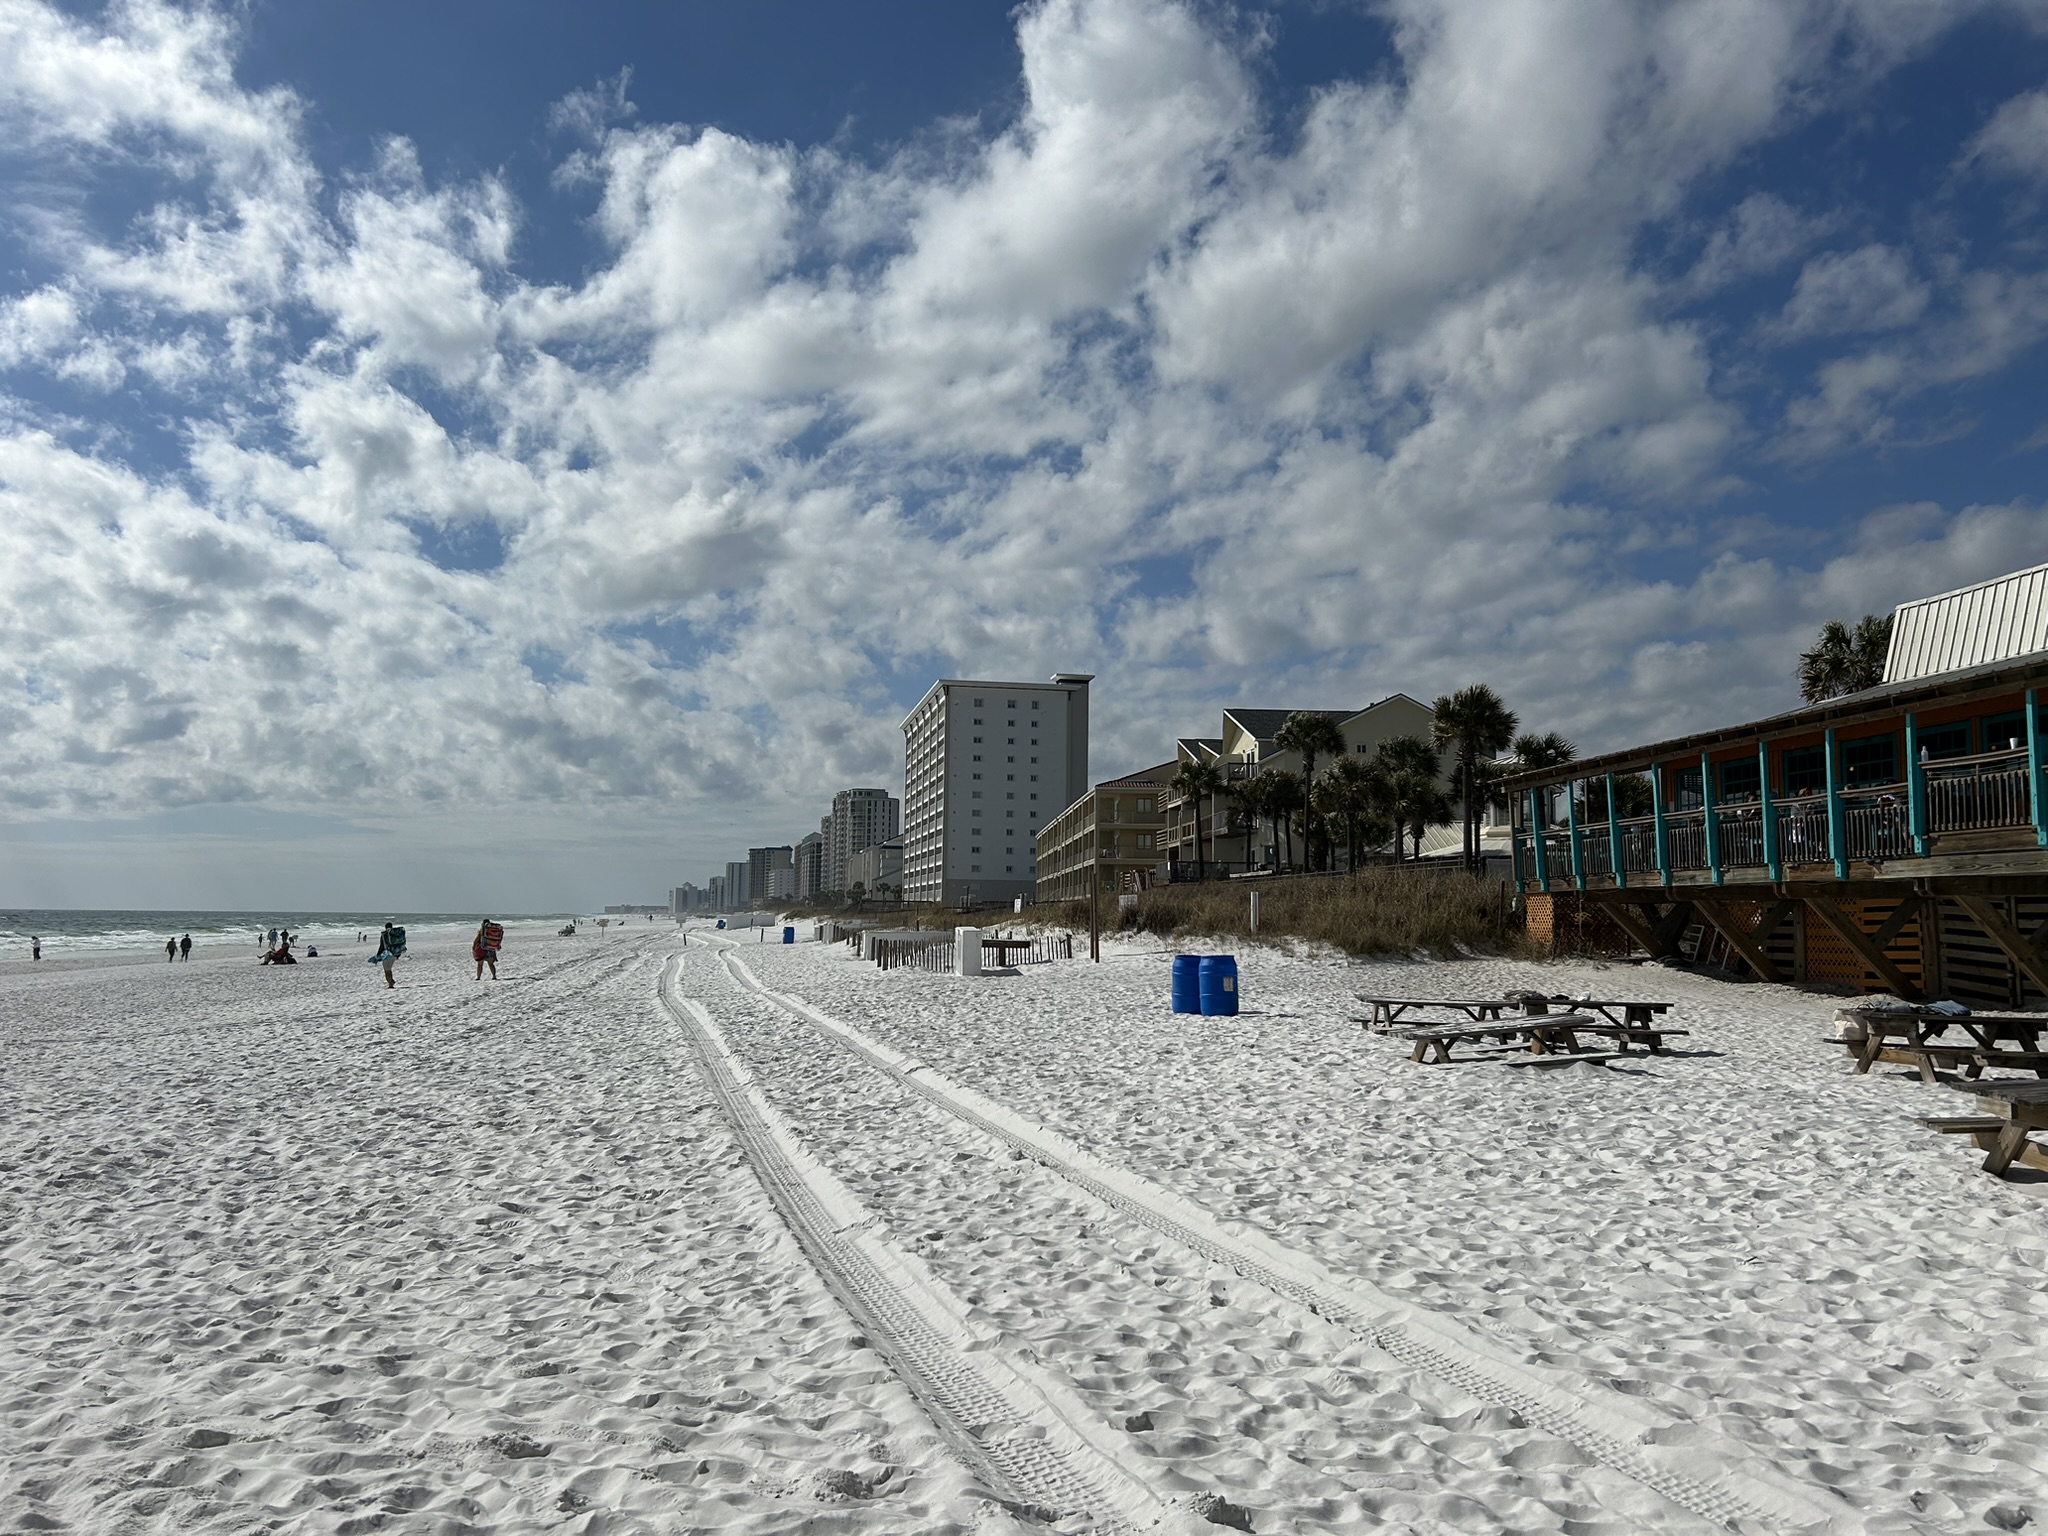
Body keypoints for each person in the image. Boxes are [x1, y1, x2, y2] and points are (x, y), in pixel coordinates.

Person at [371, 920, 405, 988]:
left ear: (385, 927)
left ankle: (390, 984)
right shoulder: (395, 934)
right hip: (394, 953)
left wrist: (378, 954)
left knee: (386, 970)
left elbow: (382, 946)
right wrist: (398, 954)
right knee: (389, 969)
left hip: (387, 954)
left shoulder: (384, 935)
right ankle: (391, 981)